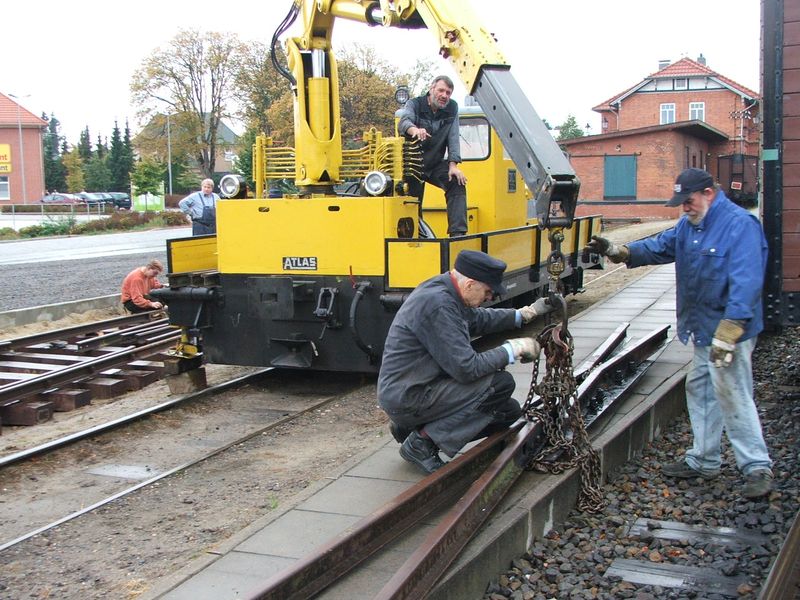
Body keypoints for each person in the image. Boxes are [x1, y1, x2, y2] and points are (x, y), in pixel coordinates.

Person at [586, 167, 773, 498]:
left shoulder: (739, 226)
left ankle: (756, 466)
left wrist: (730, 330)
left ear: (708, 195)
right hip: (702, 328)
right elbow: (661, 245)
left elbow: (747, 280)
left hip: (731, 330)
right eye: (681, 203)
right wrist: (620, 252)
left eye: (688, 201)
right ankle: (703, 460)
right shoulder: (690, 226)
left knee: (733, 392)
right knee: (701, 387)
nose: (684, 208)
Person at [377, 249, 555, 473]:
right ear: (470, 284)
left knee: (507, 412)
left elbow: (477, 319)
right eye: (488, 291)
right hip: (411, 395)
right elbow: (467, 369)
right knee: (499, 384)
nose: (490, 298)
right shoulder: (438, 304)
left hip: (418, 386)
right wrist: (512, 350)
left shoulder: (446, 289)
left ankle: (411, 428)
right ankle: (422, 441)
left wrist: (524, 314)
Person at [398, 75, 468, 237]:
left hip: (435, 164)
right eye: (441, 90)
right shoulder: (414, 104)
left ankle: (458, 235)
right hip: (413, 164)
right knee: (412, 203)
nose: (445, 95)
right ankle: (415, 238)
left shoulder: (452, 108)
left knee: (456, 182)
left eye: (449, 93)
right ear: (431, 89)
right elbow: (404, 122)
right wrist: (415, 130)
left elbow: (453, 136)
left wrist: (453, 166)